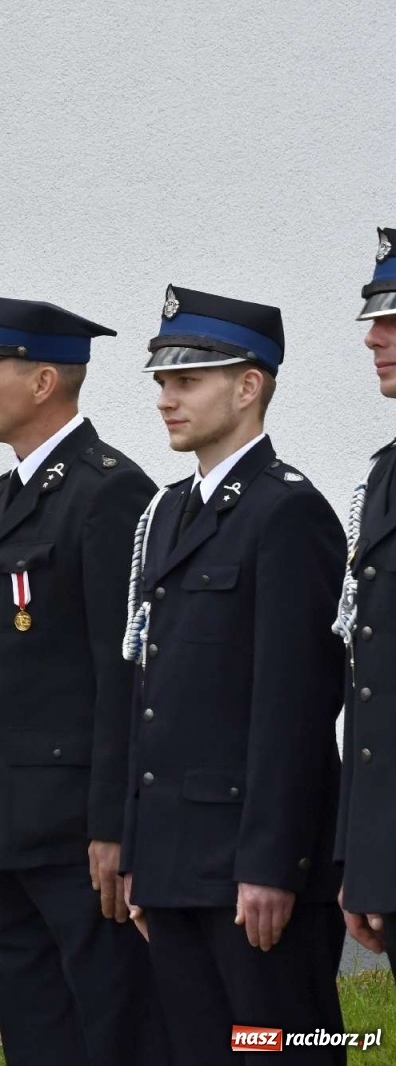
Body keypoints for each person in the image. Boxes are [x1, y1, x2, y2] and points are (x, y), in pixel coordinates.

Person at [120, 286, 346, 1062]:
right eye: (161, 381)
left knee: (274, 1050)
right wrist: (138, 853)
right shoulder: (169, 512)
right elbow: (150, 696)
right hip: (177, 862)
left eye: (188, 380)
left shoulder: (287, 513)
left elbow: (296, 707)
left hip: (252, 876)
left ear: (248, 387)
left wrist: (272, 866)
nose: (165, 399)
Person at [0, 295, 166, 1064]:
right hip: (8, 826)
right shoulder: (8, 498)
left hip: (78, 832)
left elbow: (125, 672)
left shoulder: (108, 492)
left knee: (114, 1032)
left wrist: (114, 827)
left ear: (43, 382)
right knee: (37, 1036)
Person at [335, 226, 396, 970]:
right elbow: (373, 689)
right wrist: (366, 859)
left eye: (393, 319)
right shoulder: (383, 477)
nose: (374, 338)